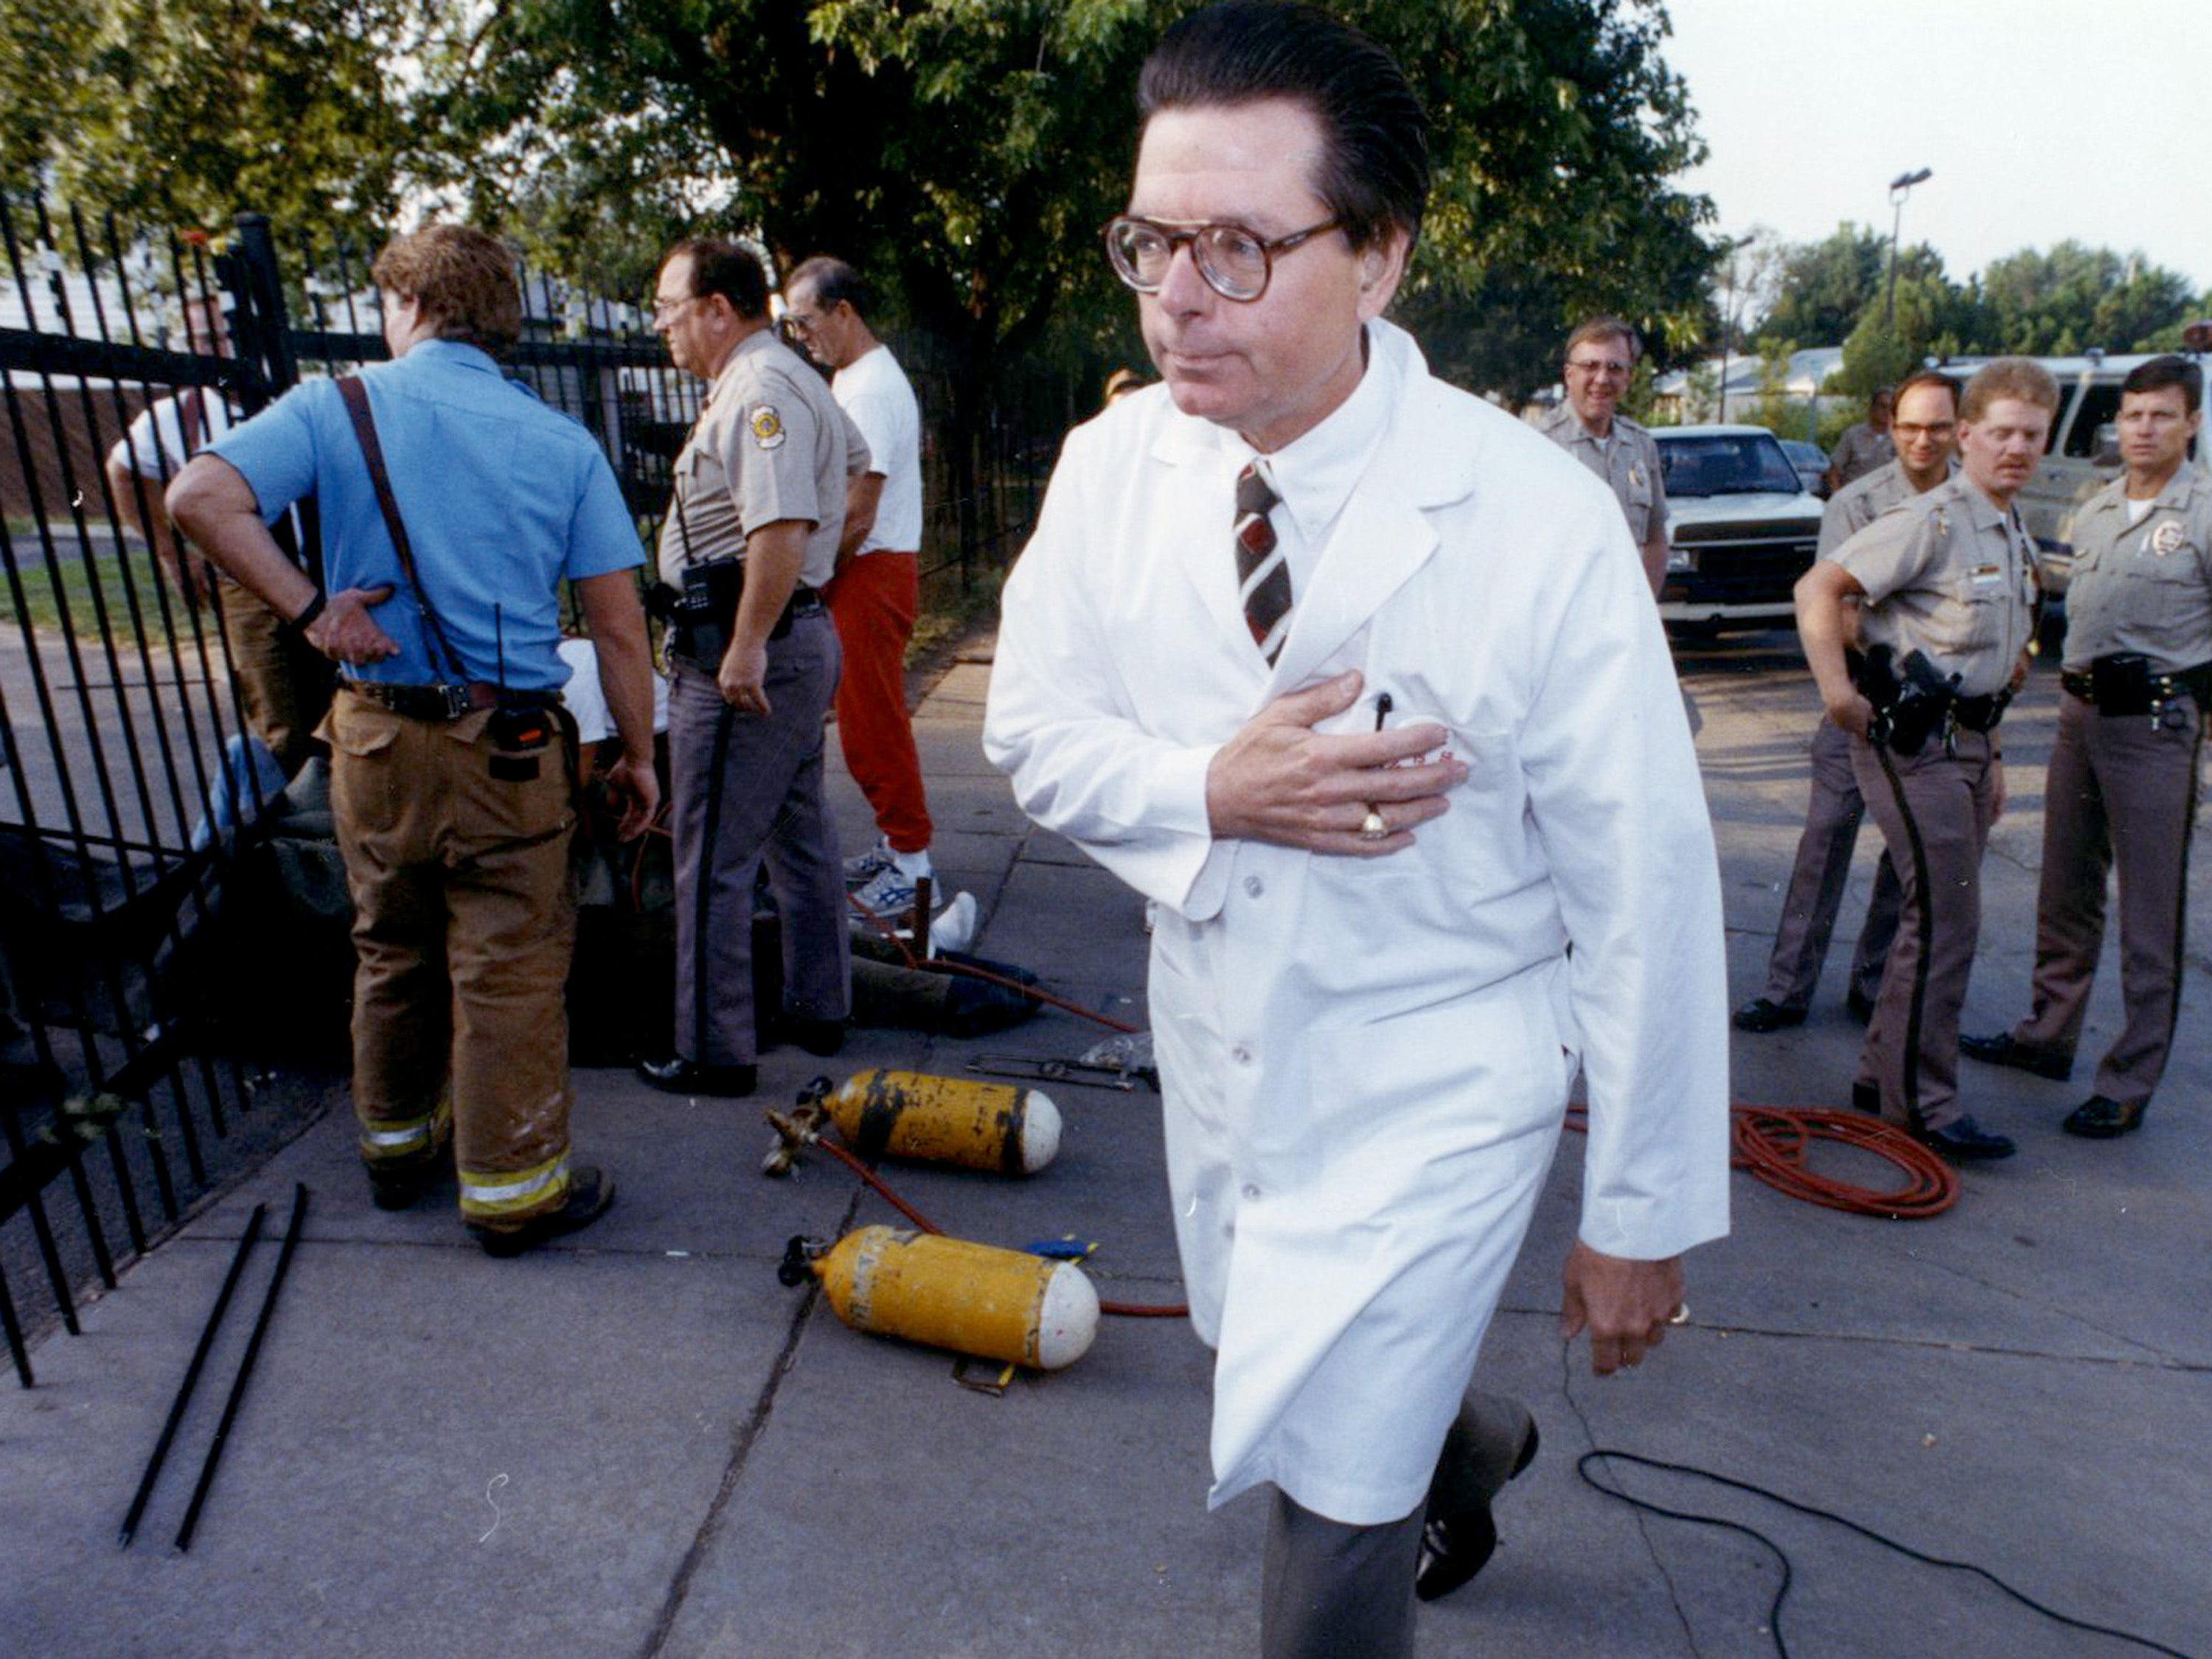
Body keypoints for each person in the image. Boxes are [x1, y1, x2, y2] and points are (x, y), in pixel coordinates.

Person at [981, 7, 1730, 1655]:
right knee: (1293, 1378)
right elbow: (1030, 732)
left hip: (1442, 1078)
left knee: (1328, 1517)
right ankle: (1479, 1443)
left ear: (1379, 258)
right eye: (1152, 241)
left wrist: (1640, 1206)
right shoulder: (1114, 469)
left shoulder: (1536, 522)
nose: (1178, 295)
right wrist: (1208, 793)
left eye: (1240, 247)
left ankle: (1400, 1478)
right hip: (1229, 1046)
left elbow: (1646, 881)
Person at [166, 223, 658, 1253]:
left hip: (377, 737)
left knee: (389, 944)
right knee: (510, 967)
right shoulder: (560, 443)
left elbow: (198, 495)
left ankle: (396, 1149)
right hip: (511, 745)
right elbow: (617, 626)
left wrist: (312, 612)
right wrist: (639, 758)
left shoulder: (333, 407)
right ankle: (514, 1192)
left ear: (408, 305)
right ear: (499, 320)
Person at [1793, 358, 2056, 1163]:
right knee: (1949, 921)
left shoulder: (2008, 524)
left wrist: (1998, 754)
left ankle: (1883, 1075)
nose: (2014, 447)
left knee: (1932, 920)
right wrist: (1838, 692)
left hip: (1972, 742)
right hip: (1917, 744)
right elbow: (1818, 589)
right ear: (1967, 436)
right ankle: (1926, 1107)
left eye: (2031, 435)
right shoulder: (1934, 519)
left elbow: (2001, 658)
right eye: (2000, 432)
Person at [633, 237, 863, 1101]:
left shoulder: (760, 390)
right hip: (794, 639)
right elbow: (853, 461)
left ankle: (713, 1049)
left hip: (747, 656)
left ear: (718, 309)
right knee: (798, 835)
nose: (664, 327)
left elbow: (779, 523)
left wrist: (746, 643)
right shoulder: (791, 378)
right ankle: (818, 1005)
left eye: (670, 308)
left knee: (712, 858)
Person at [1961, 355, 2209, 1138]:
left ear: (2192, 423)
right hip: (2079, 718)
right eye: (2131, 415)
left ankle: (2130, 1078)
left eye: (2161, 415)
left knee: (2148, 912)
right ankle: (2046, 1036)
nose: (2141, 429)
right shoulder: (2097, 508)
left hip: (2157, 728)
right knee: (2064, 892)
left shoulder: (2203, 512)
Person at [1734, 371, 1960, 1033]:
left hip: (1935, 711)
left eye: (1938, 427)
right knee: (1825, 839)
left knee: (1904, 853)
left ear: (1959, 431)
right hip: (1863, 695)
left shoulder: (1975, 505)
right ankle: (1787, 988)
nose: (1924, 440)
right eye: (1911, 427)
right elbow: (1836, 606)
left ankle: (1872, 982)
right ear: (1889, 428)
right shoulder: (1859, 504)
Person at [103, 292, 331, 776]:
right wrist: (169, 552)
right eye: (204, 338)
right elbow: (122, 470)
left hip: (330, 570)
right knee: (283, 721)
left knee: (352, 709)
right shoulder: (174, 417)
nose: (219, 349)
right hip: (247, 582)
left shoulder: (305, 396)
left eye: (227, 334)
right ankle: (303, 833)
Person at [782, 255, 939, 921]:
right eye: (791, 327)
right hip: (865, 569)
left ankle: (912, 862)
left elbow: (859, 508)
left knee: (873, 724)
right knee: (866, 719)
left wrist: (808, 576)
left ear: (844, 311)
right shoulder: (856, 378)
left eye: (807, 321)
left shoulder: (870, 387)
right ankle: (898, 846)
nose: (802, 337)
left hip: (870, 569)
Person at [1537, 316, 1670, 596]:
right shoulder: (1538, 444)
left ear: (1628, 376)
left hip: (1625, 617)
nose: (1602, 379)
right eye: (1590, 366)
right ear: (1569, 373)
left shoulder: (1641, 445)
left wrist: (1644, 609)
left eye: (1614, 367)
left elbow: (1656, 538)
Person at [1825, 385, 1896, 494]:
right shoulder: (1853, 435)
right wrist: (1838, 499)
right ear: (1872, 408)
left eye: (1891, 408)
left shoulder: (1900, 438)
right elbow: (1834, 473)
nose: (1886, 412)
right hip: (1855, 501)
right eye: (1882, 406)